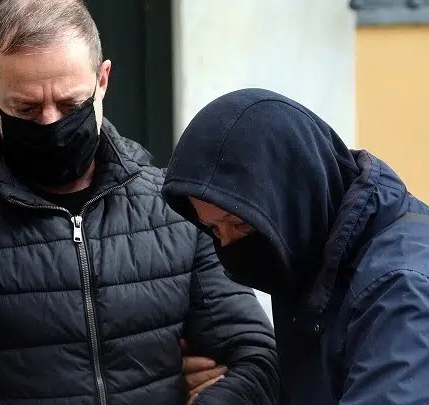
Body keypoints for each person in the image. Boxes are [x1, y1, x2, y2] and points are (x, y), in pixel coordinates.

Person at [0, 1, 279, 404]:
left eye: (70, 105)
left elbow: (257, 362)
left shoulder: (177, 210)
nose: (50, 123)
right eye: (26, 108)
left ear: (103, 80)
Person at [162, 88, 429, 405]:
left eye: (240, 223)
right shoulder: (310, 252)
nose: (228, 243)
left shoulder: (400, 288)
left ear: (292, 194)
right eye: (213, 228)